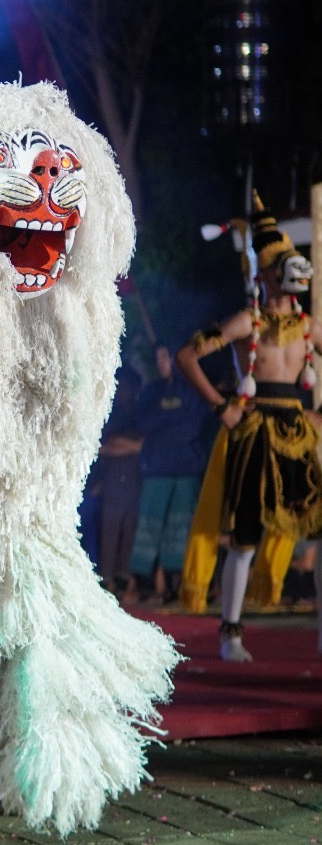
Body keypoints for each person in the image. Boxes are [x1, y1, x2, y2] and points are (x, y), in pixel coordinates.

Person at [176, 197, 322, 661]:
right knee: (244, 536)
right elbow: (187, 356)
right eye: (282, 264)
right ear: (266, 274)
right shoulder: (248, 321)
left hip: (299, 434)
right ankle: (230, 635)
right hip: (254, 431)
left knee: (318, 531)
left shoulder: (308, 326)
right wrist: (222, 406)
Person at [126, 343, 210, 603]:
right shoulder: (151, 391)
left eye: (166, 357)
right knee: (149, 525)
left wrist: (164, 426)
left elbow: (195, 425)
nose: (161, 362)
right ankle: (142, 583)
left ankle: (174, 585)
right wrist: (174, 421)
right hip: (157, 468)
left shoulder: (195, 389)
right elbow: (143, 423)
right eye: (158, 358)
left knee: (180, 527)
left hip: (187, 468)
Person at [96, 367, 144, 595]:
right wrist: (126, 446)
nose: (123, 391)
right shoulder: (110, 414)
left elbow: (142, 445)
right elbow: (103, 446)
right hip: (112, 483)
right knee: (109, 534)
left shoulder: (140, 414)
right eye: (120, 386)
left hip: (135, 482)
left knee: (130, 536)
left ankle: (125, 579)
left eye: (127, 387)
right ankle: (107, 581)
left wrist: (122, 446)